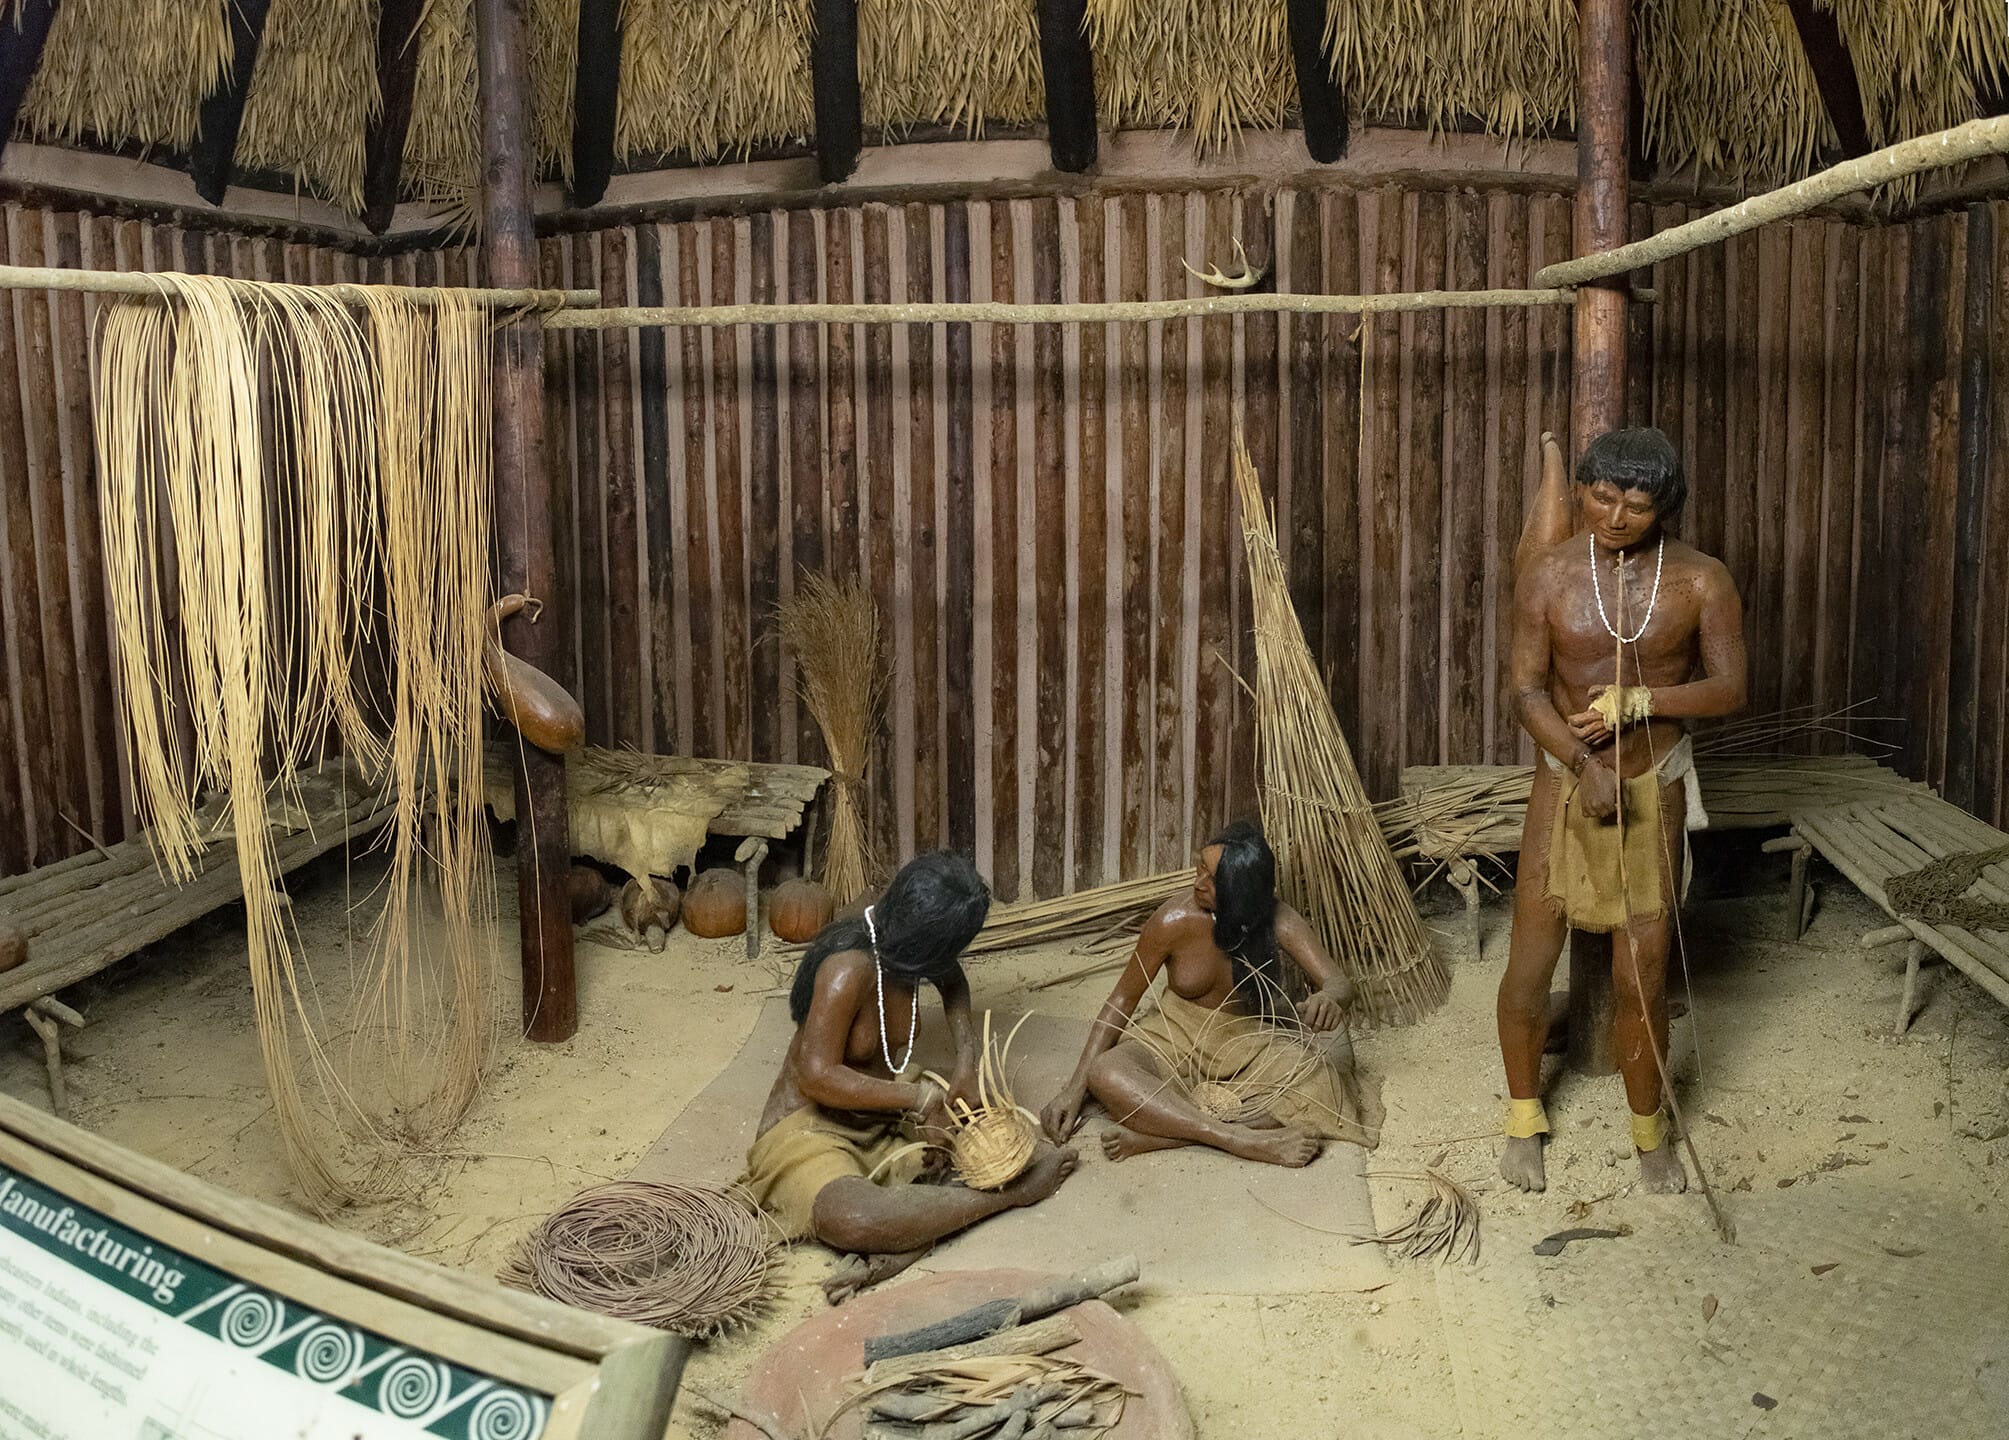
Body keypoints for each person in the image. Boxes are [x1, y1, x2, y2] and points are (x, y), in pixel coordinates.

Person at [1498, 426, 1747, 1196]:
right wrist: (1580, 764)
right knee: (1531, 962)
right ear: (1579, 490)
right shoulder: (1547, 575)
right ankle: (1522, 1121)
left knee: (1641, 974)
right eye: (1601, 497)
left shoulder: (1702, 580)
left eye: (1636, 506)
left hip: (1654, 783)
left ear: (1663, 507)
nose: (1614, 517)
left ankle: (1647, 1137)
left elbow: (1730, 689)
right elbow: (1527, 692)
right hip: (1563, 783)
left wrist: (1643, 702)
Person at [742, 851, 1078, 1302]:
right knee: (853, 1219)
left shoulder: (907, 949)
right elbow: (815, 1077)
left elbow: (953, 979)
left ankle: (906, 1238)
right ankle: (1006, 1200)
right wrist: (916, 1099)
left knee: (985, 1133)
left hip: (885, 1109)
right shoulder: (848, 969)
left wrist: (966, 1057)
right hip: (809, 1131)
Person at [1040, 822, 1378, 1165]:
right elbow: (1122, 1000)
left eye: (1214, 879)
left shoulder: (1275, 918)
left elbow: (1338, 981)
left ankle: (1166, 1135)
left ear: (1242, 890)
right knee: (1106, 1072)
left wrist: (1330, 999)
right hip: (1174, 1037)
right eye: (1200, 867)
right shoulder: (1172, 920)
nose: (1198, 883)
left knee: (1320, 1077)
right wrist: (1073, 1088)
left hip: (1249, 1041)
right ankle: (1238, 1138)